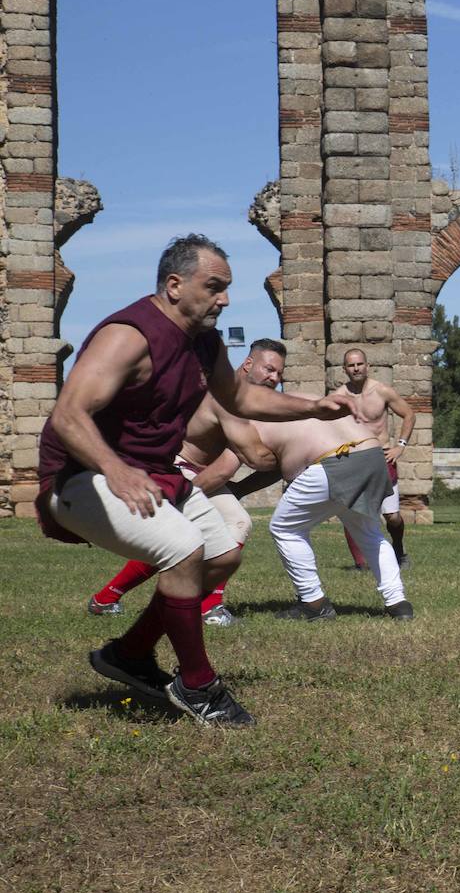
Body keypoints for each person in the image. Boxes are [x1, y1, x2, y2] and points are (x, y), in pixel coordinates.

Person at [39, 234, 361, 727]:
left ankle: (130, 652)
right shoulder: (129, 335)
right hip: (82, 477)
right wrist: (116, 468)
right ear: (174, 285)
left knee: (224, 551)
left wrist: (313, 406)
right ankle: (197, 684)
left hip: (154, 474)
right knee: (186, 549)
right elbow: (69, 415)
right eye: (214, 287)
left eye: (227, 288)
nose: (225, 299)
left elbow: (242, 399)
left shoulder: (203, 341)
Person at [85, 338, 287, 626]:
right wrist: (183, 496)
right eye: (269, 369)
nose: (274, 378)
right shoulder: (229, 397)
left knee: (210, 530)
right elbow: (239, 462)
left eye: (280, 374)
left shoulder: (251, 402)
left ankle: (109, 599)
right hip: (179, 469)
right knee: (195, 533)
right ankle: (202, 607)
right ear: (248, 363)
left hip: (202, 473)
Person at [255, 405, 415, 621]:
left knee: (284, 527)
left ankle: (313, 603)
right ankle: (398, 603)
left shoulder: (254, 417)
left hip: (338, 461)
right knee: (369, 533)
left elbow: (287, 470)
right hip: (373, 455)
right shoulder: (307, 401)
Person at [333, 348, 416, 569]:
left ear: (367, 366)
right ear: (344, 369)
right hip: (354, 461)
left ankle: (398, 549)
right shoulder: (338, 397)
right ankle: (361, 563)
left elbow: (409, 414)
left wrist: (401, 446)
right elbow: (325, 425)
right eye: (351, 365)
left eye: (360, 364)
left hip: (382, 458)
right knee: (354, 513)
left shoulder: (382, 391)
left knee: (393, 516)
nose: (356, 368)